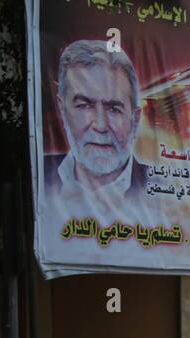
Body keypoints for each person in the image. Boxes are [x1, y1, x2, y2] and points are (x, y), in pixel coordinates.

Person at [45, 40, 151, 223]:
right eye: (84, 106)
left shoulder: (164, 189)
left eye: (114, 109)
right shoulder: (38, 176)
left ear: (135, 119)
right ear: (62, 110)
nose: (100, 125)